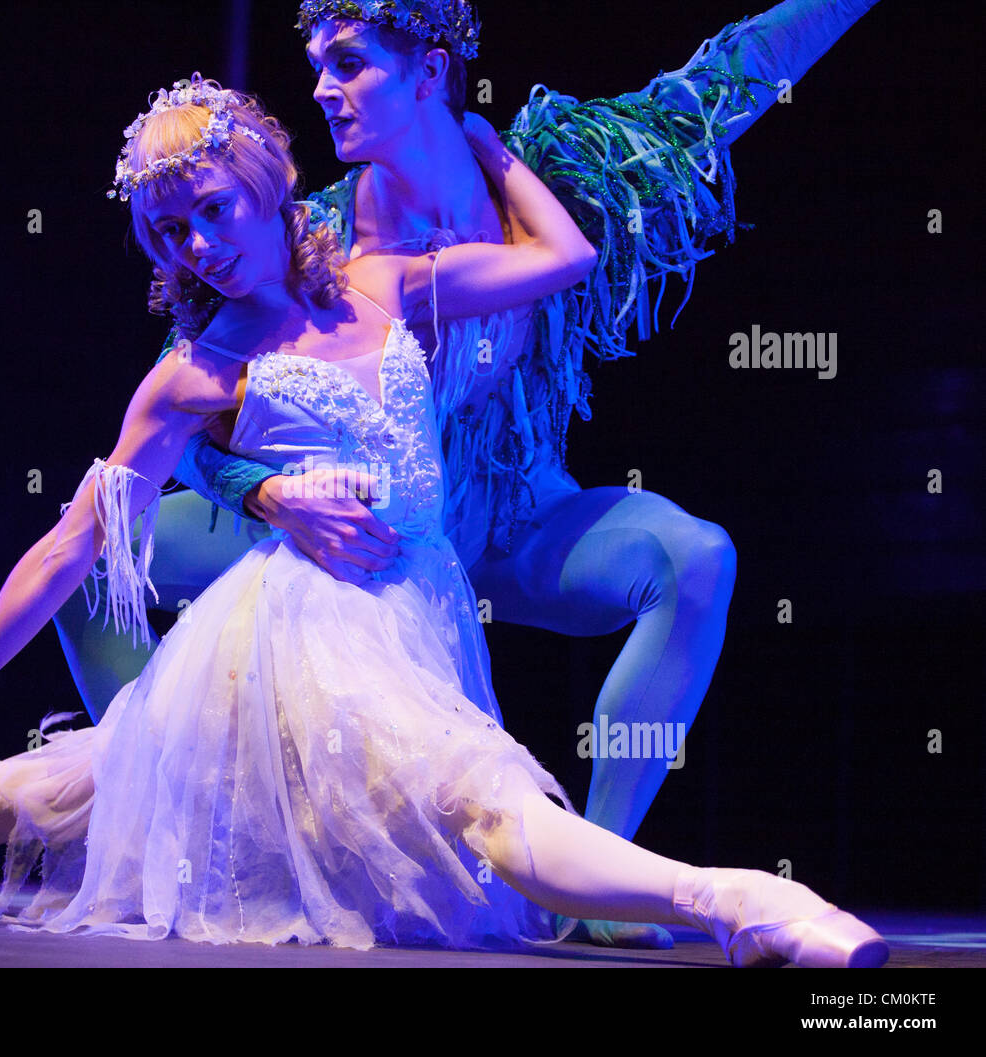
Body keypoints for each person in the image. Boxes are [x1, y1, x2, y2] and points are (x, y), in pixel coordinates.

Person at [0, 77, 887, 967]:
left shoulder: (388, 283)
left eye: (212, 212)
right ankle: (740, 898)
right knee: (479, 802)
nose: (197, 247)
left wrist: (488, 147)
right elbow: (74, 542)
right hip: (303, 632)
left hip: (416, 611)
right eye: (168, 234)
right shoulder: (194, 371)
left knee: (87, 779)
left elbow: (563, 257)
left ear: (272, 185)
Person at [48, 0, 883, 949]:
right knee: (90, 556)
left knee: (695, 559)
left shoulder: (566, 174)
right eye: (318, 62)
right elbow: (182, 396)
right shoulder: (316, 235)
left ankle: (594, 884)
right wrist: (262, 491)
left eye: (350, 62)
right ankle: (175, 819)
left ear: (431, 72)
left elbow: (723, 82)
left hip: (515, 520)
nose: (322, 86)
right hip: (354, 533)